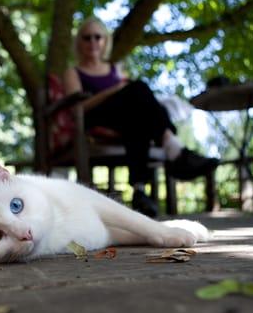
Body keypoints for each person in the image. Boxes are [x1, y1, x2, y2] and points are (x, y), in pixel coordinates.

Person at [63, 16, 219, 217]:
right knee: (139, 88)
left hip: (123, 118)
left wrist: (122, 90)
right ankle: (174, 151)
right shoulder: (73, 72)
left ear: (104, 41)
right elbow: (78, 108)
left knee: (137, 120)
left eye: (97, 37)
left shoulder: (115, 68)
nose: (93, 42)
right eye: (87, 37)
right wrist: (115, 90)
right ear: (79, 42)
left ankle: (140, 191)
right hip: (94, 117)